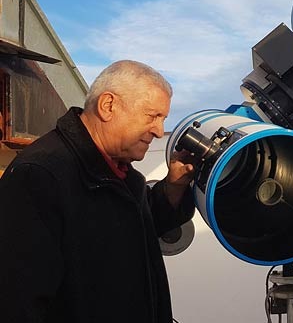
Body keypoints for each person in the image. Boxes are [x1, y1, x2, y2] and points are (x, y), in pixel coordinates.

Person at [0, 60, 195, 323]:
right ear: (108, 106)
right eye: (151, 116)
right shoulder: (40, 177)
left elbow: (137, 230)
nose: (159, 132)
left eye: (163, 119)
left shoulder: (122, 174)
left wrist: (174, 185)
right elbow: (18, 303)